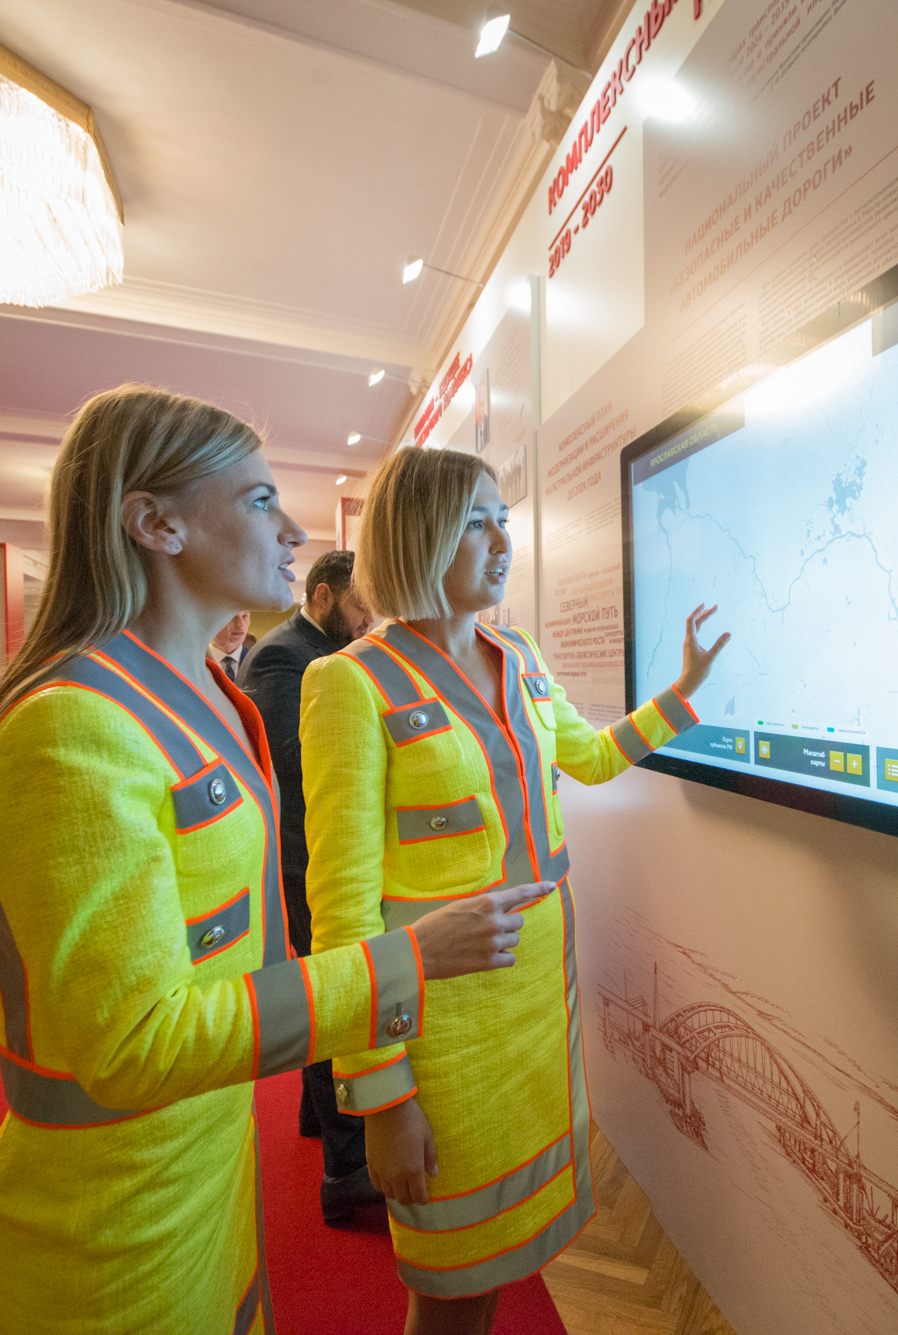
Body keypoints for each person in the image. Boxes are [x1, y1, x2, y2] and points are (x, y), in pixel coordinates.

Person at [0, 385, 547, 1334]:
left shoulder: (189, 693)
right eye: (262, 500)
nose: (296, 530)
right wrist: (409, 962)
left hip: (209, 1145)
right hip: (116, 1197)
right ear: (156, 523)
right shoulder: (68, 727)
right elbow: (133, 1045)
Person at [302, 447, 727, 1334]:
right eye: (476, 522)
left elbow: (592, 758)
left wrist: (682, 693)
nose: (504, 541)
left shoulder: (519, 653)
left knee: (494, 1269)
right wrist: (382, 1097)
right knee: (450, 1282)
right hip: (441, 1026)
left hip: (537, 1006)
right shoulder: (348, 682)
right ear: (418, 534)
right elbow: (341, 915)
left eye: (505, 518)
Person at [241, 549, 380, 1223]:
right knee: (334, 996)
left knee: (326, 987)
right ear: (323, 596)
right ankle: (346, 1168)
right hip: (304, 854)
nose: (367, 621)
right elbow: (291, 758)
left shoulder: (313, 651)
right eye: (358, 607)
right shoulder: (283, 656)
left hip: (316, 846)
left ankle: (312, 1115)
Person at [212, 609, 251, 679]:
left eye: (244, 616)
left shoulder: (259, 662)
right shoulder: (194, 661)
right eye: (231, 616)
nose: (240, 624)